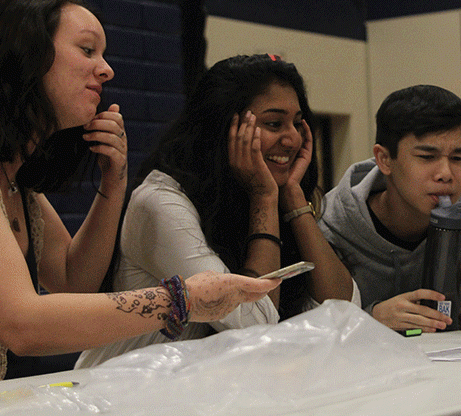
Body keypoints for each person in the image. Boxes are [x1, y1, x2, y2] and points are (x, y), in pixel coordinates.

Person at [0, 0, 277, 386]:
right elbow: (24, 326)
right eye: (87, 50)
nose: (106, 70)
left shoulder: (11, 177)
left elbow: (74, 280)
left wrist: (114, 181)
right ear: (26, 55)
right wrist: (181, 300)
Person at [77, 53, 358, 368]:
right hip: (121, 398)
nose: (292, 138)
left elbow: (345, 313)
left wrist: (293, 199)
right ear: (226, 128)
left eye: (297, 122)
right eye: (274, 123)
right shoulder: (160, 202)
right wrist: (264, 196)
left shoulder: (264, 196)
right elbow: (256, 326)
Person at [319, 85, 461, 332]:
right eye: (427, 157)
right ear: (384, 159)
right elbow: (303, 320)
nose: (446, 174)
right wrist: (370, 318)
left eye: (458, 158)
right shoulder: (332, 224)